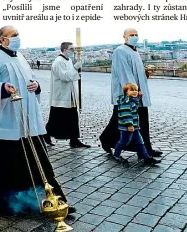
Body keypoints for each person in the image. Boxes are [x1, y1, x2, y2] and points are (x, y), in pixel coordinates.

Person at [0, 26, 74, 216]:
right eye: (13, 35)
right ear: (2, 39)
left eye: (18, 35)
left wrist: (36, 85)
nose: (17, 38)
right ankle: (5, 201)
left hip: (27, 119)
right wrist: (2, 87)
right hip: (7, 120)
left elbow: (31, 80)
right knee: (4, 163)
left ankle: (51, 198)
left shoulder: (21, 57)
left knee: (39, 161)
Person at [99, 28, 163, 158]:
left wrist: (144, 74)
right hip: (128, 95)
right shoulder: (120, 51)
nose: (134, 37)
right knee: (121, 120)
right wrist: (133, 91)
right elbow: (124, 73)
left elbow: (135, 72)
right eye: (131, 35)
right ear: (124, 37)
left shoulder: (135, 52)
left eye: (136, 35)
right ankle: (108, 140)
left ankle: (145, 148)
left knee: (139, 121)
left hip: (138, 93)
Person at [45, 42, 90, 148]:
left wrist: (75, 68)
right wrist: (75, 68)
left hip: (70, 93)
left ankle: (74, 139)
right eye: (71, 49)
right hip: (61, 95)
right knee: (57, 117)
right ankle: (46, 134)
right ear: (65, 50)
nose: (73, 51)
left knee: (73, 117)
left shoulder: (68, 60)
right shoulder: (58, 61)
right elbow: (64, 77)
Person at [114, 83, 161, 166]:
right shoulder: (125, 102)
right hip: (127, 127)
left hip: (135, 127)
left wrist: (138, 97)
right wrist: (129, 125)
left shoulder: (131, 100)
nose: (134, 91)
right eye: (132, 90)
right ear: (126, 92)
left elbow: (135, 105)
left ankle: (146, 158)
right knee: (123, 142)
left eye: (135, 90)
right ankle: (116, 154)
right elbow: (126, 114)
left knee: (140, 142)